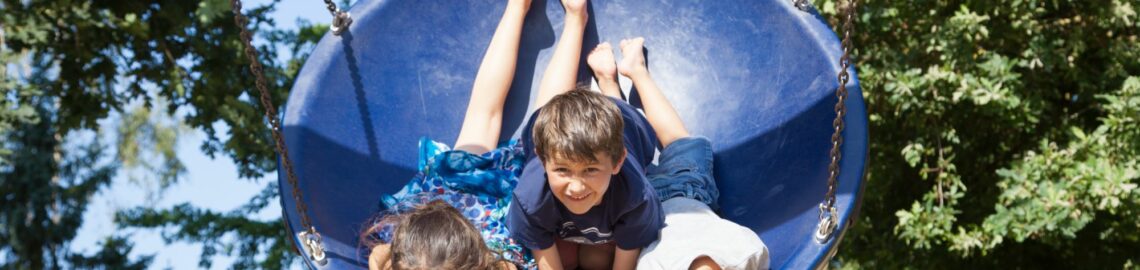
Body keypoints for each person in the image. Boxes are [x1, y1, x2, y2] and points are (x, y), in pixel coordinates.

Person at [360, 0, 535, 268]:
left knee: (484, 118)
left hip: (443, 211)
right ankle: (574, 22)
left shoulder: (406, 254)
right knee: (539, 146)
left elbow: (380, 254)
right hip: (468, 233)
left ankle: (517, 8)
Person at [504, 2, 666, 267]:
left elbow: (625, 263)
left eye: (590, 170)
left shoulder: (635, 197)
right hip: (554, 145)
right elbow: (546, 259)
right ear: (543, 161)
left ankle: (609, 82)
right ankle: (576, 21)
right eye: (563, 170)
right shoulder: (530, 199)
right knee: (549, 112)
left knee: (616, 108)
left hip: (626, 127)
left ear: (617, 163)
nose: (576, 187)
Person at [591, 38, 771, 270]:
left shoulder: (746, 252)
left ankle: (612, 83)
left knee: (627, 152)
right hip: (685, 192)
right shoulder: (746, 253)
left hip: (636, 207)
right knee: (677, 140)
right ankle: (635, 72)